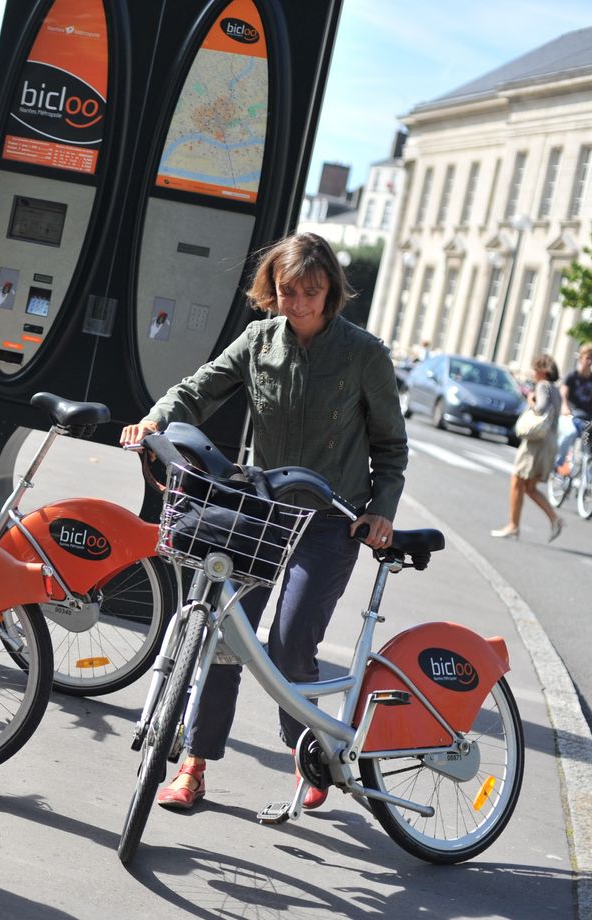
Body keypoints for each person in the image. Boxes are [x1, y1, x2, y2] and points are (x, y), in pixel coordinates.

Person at [119, 232, 406, 812]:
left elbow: (390, 447)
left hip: (330, 521)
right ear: (271, 290)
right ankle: (194, 765)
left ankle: (311, 750)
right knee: (226, 635)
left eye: (311, 292)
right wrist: (154, 420)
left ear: (331, 292)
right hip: (264, 508)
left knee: (291, 641)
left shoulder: (362, 353)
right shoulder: (258, 342)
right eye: (287, 291)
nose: (298, 303)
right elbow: (197, 391)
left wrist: (381, 509)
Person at [490, 355, 563, 542]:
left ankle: (513, 526)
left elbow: (540, 408)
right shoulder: (556, 389)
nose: (533, 373)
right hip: (550, 441)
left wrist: (531, 400)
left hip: (537, 442)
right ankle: (554, 519)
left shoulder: (543, 386)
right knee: (529, 487)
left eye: (535, 369)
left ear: (542, 371)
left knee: (517, 481)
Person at [554, 344, 592, 473]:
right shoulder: (572, 376)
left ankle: (590, 483)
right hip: (571, 416)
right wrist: (564, 406)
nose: (589, 361)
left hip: (587, 420)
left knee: (588, 449)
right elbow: (563, 394)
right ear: (581, 358)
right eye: (587, 358)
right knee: (570, 433)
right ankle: (558, 463)